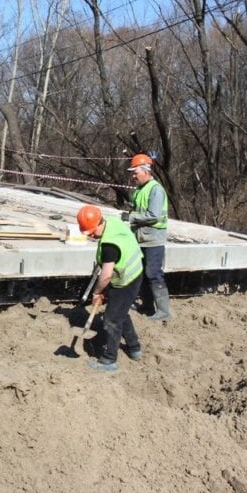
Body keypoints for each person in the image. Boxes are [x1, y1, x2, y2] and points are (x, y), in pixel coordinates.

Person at [77, 205, 144, 373]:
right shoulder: (112, 223)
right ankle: (134, 348)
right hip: (134, 274)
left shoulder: (109, 245)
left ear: (99, 223)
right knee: (120, 312)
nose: (91, 235)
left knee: (111, 320)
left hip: (125, 280)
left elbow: (106, 276)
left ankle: (109, 360)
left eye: (91, 232)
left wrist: (97, 292)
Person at [124, 154, 171, 321]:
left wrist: (131, 217)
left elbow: (153, 215)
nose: (133, 176)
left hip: (153, 239)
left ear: (145, 171)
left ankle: (164, 312)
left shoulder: (156, 189)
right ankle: (147, 305)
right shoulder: (139, 190)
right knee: (142, 273)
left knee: (154, 273)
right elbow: (139, 208)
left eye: (135, 172)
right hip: (141, 238)